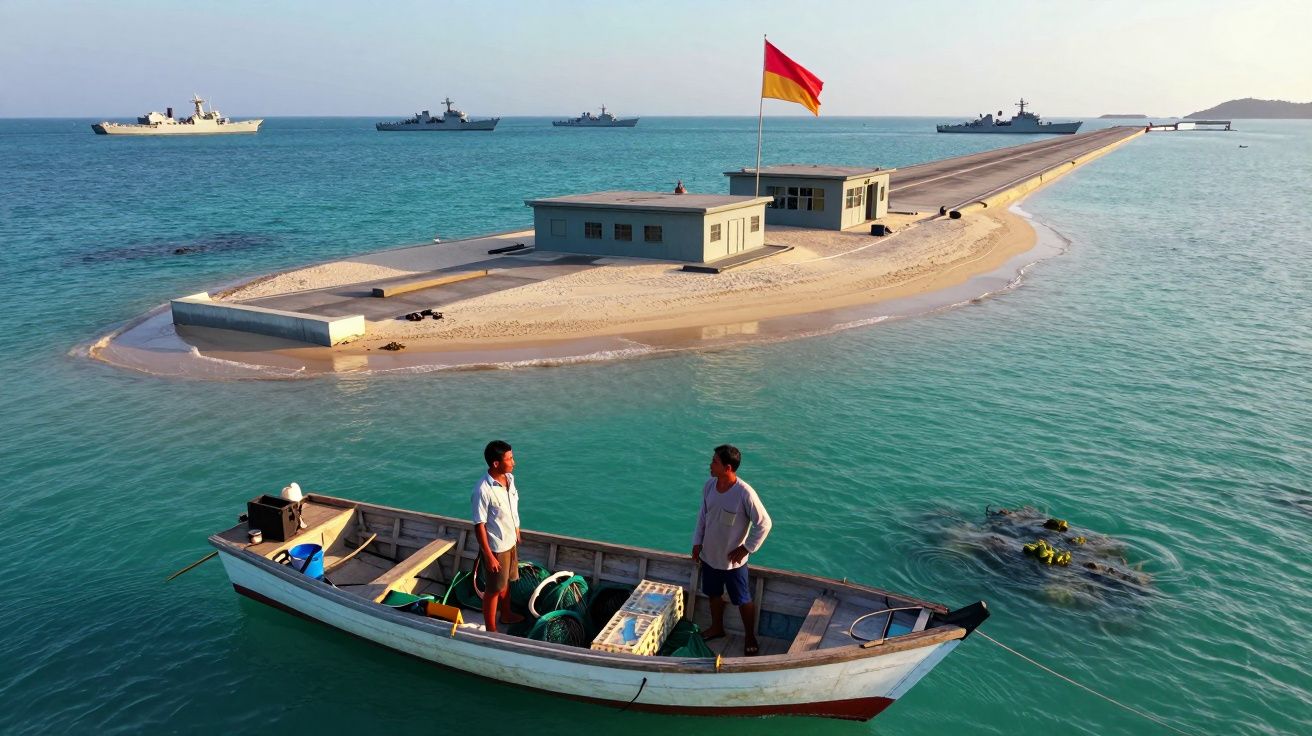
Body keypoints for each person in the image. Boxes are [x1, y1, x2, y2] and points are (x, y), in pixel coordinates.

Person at [691, 444, 772, 656]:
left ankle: (749, 636)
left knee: (743, 599)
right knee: (713, 594)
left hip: (733, 562)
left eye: (714, 462)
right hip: (710, 556)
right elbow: (703, 516)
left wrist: (746, 548)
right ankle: (717, 627)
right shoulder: (709, 486)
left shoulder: (745, 493)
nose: (710, 464)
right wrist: (697, 542)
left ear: (728, 468)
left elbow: (764, 523)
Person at [472, 440, 525, 633]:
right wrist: (488, 555)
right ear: (496, 463)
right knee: (493, 589)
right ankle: (491, 629)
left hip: (510, 542)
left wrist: (517, 529)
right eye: (509, 458)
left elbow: (513, 507)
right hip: (496, 547)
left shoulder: (510, 479)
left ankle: (507, 614)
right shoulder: (482, 490)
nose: (514, 462)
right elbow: (479, 525)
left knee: (506, 582)